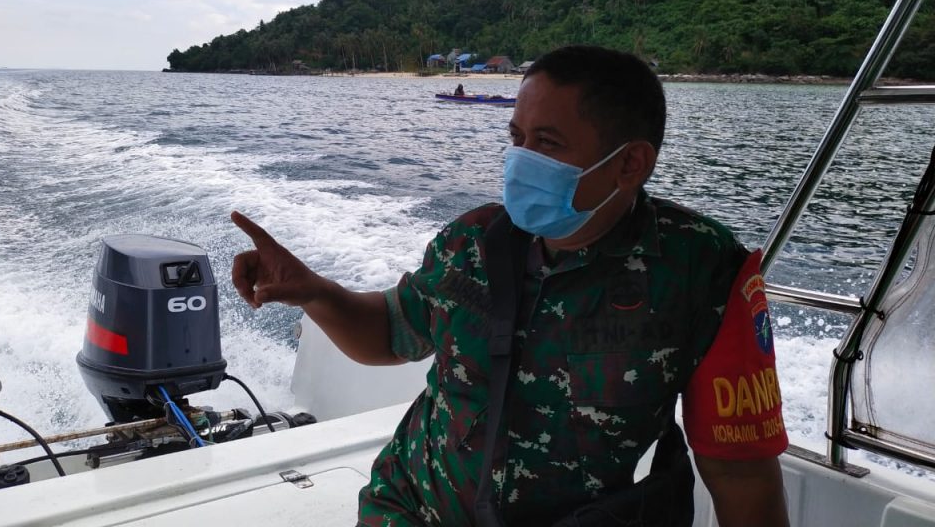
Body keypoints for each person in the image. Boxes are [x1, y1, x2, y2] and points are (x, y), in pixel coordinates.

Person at [231, 44, 789, 527]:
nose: (521, 161)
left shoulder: (701, 271)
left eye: (547, 143)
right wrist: (316, 292)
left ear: (630, 164)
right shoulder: (471, 241)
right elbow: (390, 336)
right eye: (516, 137)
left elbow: (741, 474)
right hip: (409, 507)